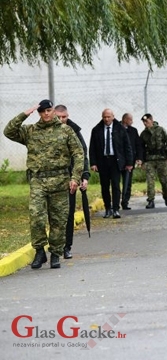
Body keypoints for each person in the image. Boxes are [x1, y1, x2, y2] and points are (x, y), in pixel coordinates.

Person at [4, 100, 84, 269]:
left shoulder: (65, 130)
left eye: (48, 110)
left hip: (60, 181)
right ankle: (39, 251)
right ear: (39, 113)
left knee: (58, 220)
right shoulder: (30, 131)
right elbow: (8, 131)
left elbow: (78, 154)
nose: (46, 114)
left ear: (53, 111)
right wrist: (25, 114)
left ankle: (55, 253)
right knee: (36, 217)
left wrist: (75, 178)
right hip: (38, 181)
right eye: (42, 111)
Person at [54, 105, 90, 259]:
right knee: (53, 214)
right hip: (52, 178)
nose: (62, 120)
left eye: (64, 117)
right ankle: (52, 245)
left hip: (71, 178)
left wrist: (84, 176)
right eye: (59, 117)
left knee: (68, 213)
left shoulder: (74, 131)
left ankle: (66, 246)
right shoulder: (45, 131)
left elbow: (82, 154)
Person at [89, 108, 133, 218]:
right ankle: (108, 208)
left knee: (115, 185)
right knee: (104, 186)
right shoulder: (96, 130)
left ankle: (116, 209)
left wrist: (129, 162)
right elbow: (92, 148)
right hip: (103, 161)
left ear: (113, 117)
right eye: (104, 117)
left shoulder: (120, 129)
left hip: (115, 161)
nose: (106, 119)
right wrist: (93, 163)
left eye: (108, 117)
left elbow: (127, 146)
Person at [140, 113, 167, 209]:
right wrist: (142, 161)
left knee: (165, 181)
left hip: (162, 159)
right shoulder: (143, 134)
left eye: (146, 121)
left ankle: (166, 196)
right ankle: (151, 200)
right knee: (150, 181)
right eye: (143, 122)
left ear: (151, 120)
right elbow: (141, 148)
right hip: (149, 160)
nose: (145, 123)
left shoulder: (160, 130)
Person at [120, 113, 144, 210]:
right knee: (115, 182)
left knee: (127, 182)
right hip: (118, 160)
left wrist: (139, 158)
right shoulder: (116, 128)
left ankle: (125, 202)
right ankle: (115, 202)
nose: (132, 122)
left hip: (130, 160)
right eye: (130, 120)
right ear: (125, 120)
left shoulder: (133, 131)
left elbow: (138, 145)